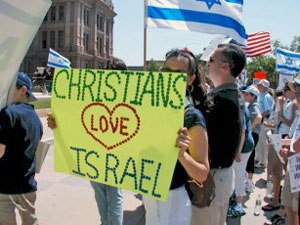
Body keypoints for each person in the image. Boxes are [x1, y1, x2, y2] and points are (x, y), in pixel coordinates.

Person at [48, 57, 127, 225]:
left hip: (115, 154)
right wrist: (57, 121)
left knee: (113, 195)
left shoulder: (132, 100)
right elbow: (75, 116)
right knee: (102, 194)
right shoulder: (92, 96)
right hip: (95, 154)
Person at [142, 48, 209, 225]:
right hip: (149, 192)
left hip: (173, 200)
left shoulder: (191, 117)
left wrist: (182, 155)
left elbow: (202, 174)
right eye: (166, 71)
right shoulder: (149, 108)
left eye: (178, 74)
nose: (170, 77)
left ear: (190, 79)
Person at [191, 43, 245, 225]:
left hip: (212, 177)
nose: (207, 64)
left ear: (225, 67)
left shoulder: (223, 101)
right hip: (220, 176)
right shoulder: (230, 96)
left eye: (211, 60)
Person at [0, 72, 43, 225]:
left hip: (6, 184)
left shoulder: (7, 113)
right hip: (27, 183)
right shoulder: (36, 119)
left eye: (11, 88)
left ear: (23, 90)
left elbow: (0, 151)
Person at [242, 85, 262, 193]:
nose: (245, 95)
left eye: (247, 94)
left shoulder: (255, 105)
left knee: (250, 158)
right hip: (253, 134)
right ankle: (248, 182)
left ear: (253, 96)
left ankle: (249, 184)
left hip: (253, 134)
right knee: (249, 157)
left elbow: (259, 117)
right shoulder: (251, 105)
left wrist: (251, 127)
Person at [256, 79, 274, 167]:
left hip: (264, 121)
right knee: (259, 141)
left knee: (263, 142)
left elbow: (268, 110)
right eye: (259, 84)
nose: (258, 86)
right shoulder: (261, 95)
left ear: (265, 87)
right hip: (260, 121)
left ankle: (263, 162)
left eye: (260, 85)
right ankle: (259, 159)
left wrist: (259, 117)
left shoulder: (266, 96)